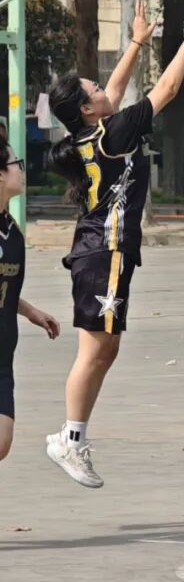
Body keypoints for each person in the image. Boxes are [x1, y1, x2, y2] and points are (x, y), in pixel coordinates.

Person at [44, 4, 184, 488]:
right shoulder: (113, 132)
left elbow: (113, 92)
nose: (103, 89)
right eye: (93, 89)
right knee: (94, 351)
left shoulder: (93, 131)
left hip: (103, 250)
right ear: (86, 108)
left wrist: (136, 41)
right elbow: (167, 89)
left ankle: (72, 435)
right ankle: (70, 440)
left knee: (105, 349)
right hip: (105, 249)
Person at [0, 132, 61, 463]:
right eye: (16, 164)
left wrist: (28, 310)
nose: (21, 171)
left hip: (3, 355)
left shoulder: (12, 231)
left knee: (2, 442)